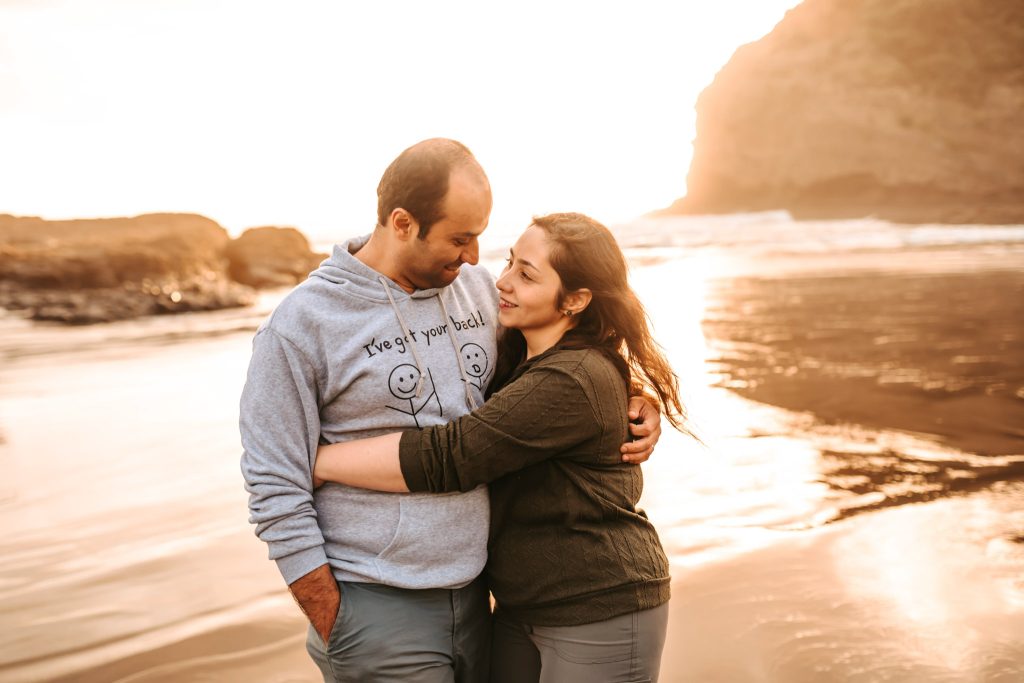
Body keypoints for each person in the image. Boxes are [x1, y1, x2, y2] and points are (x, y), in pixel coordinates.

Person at [239, 139, 663, 683]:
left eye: (482, 237)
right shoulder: (302, 326)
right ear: (402, 222)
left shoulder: (482, 293)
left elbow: (564, 356)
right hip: (377, 602)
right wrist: (333, 616)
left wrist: (630, 398)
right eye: (460, 239)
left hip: (483, 597)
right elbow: (273, 484)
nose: (473, 258)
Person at [312, 212, 687, 683]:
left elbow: (453, 455)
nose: (502, 282)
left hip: (600, 601)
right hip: (519, 605)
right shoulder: (518, 353)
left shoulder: (571, 376)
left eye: (527, 275)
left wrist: (319, 461)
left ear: (575, 299)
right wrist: (637, 393)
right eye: (509, 263)